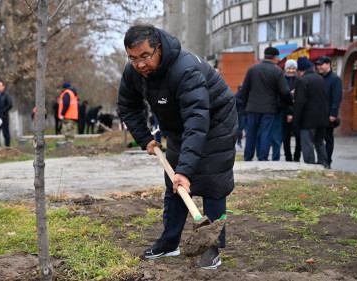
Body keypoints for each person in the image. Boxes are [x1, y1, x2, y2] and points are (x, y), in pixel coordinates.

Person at [117, 24, 237, 269]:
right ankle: (170, 242)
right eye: (132, 58)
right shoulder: (134, 72)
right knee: (174, 184)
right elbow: (128, 105)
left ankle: (211, 247)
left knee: (212, 181)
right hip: (179, 126)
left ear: (158, 48)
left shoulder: (184, 69)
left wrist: (185, 169)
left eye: (144, 57)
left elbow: (197, 119)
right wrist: (145, 138)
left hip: (215, 120)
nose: (139, 64)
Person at [240, 47, 290, 161]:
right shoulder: (277, 71)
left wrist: (244, 107)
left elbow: (245, 90)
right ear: (275, 57)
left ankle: (248, 157)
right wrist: (289, 103)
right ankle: (262, 158)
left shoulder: (252, 69)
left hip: (252, 108)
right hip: (269, 109)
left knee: (251, 134)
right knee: (265, 134)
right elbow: (284, 91)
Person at [293, 57, 328, 167]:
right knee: (319, 142)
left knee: (307, 144)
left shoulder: (302, 80)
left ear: (300, 70)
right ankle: (324, 163)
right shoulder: (320, 79)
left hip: (307, 120)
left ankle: (311, 167)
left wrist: (296, 121)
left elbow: (300, 103)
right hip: (322, 119)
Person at [315, 55, 342, 168]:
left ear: (329, 64)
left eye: (321, 64)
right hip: (317, 114)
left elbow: (337, 98)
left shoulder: (335, 79)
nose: (319, 67)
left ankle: (327, 162)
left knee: (328, 138)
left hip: (328, 114)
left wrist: (333, 114)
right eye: (317, 65)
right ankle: (321, 159)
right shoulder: (317, 78)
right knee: (318, 139)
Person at [282, 59, 301, 162]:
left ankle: (297, 156)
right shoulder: (282, 80)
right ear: (285, 69)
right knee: (286, 138)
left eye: (293, 68)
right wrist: (289, 113)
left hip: (297, 114)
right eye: (289, 68)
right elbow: (282, 98)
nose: (291, 70)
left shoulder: (299, 81)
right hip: (285, 113)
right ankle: (288, 158)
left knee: (299, 137)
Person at [0, 80, 13, 147]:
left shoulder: (6, 95)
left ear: (3, 87)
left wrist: (2, 111)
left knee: (6, 133)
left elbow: (10, 104)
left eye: (0, 86)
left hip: (4, 117)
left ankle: (7, 147)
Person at [234, 84, 246, 148]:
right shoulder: (242, 91)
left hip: (247, 112)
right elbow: (235, 98)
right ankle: (239, 142)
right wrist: (243, 103)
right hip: (243, 112)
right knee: (240, 128)